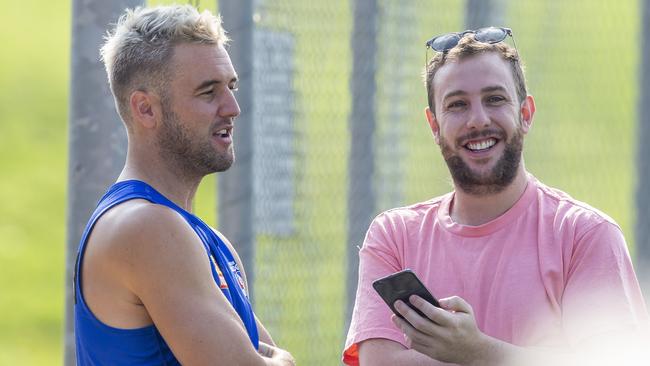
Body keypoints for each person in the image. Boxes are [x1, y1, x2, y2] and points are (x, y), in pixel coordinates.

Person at [343, 27, 649, 365]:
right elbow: (380, 361)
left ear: (526, 114)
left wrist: (478, 351)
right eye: (457, 105)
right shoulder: (394, 236)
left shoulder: (584, 235)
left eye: (495, 99)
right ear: (434, 126)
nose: (478, 120)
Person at [73, 5, 295, 365]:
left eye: (231, 87)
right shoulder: (146, 229)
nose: (233, 107)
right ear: (146, 109)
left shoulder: (205, 241)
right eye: (208, 92)